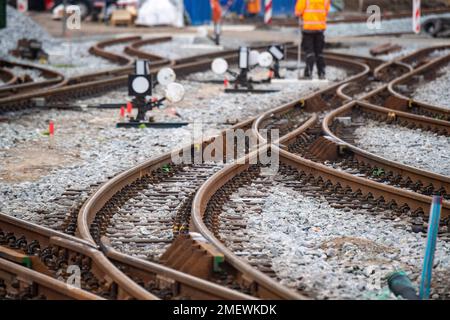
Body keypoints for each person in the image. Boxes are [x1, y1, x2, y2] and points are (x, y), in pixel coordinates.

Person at [295, 0, 330, 79]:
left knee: (309, 52)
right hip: (320, 29)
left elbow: (298, 12)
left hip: (308, 29)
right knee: (319, 52)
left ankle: (308, 73)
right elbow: (326, 11)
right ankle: (321, 73)